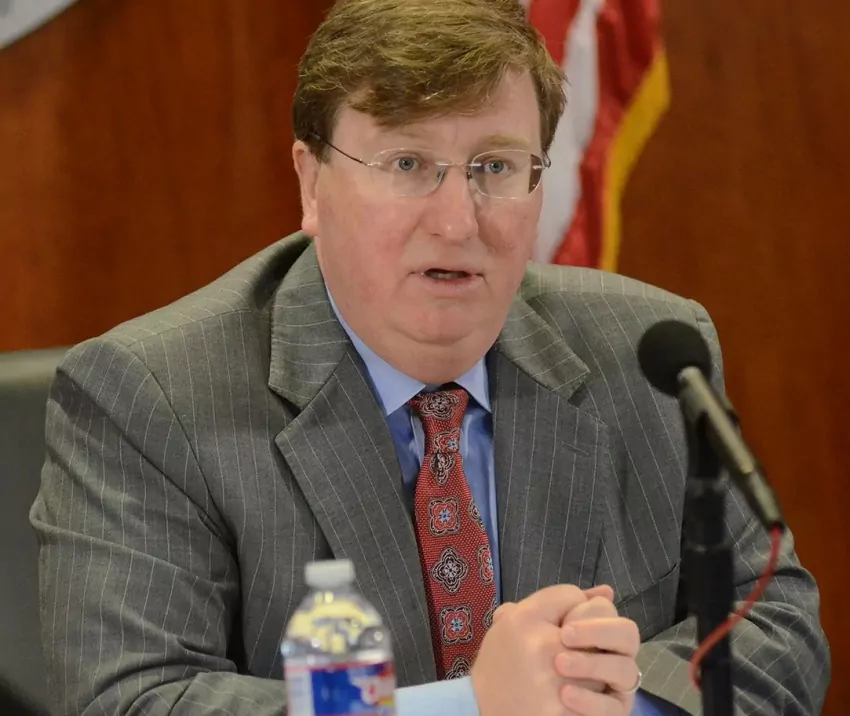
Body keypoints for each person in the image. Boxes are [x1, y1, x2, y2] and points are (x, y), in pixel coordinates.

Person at [31, 0, 830, 714]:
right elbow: (134, 699)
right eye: (408, 165)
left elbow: (775, 626)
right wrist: (468, 708)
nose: (457, 221)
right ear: (311, 182)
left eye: (495, 168)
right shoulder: (151, 396)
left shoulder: (650, 355)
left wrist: (616, 702)